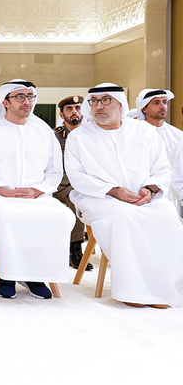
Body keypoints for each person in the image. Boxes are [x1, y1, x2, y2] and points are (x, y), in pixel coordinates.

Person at [68, 83, 183, 308]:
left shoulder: (144, 131)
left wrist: (150, 189)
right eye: (94, 101)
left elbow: (162, 168)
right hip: (100, 199)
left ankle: (164, 288)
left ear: (120, 104)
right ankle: (134, 290)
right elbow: (77, 176)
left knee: (167, 216)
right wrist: (114, 191)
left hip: (145, 198)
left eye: (106, 100)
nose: (99, 106)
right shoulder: (79, 137)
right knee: (124, 217)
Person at [0, 79, 75, 299]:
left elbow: (55, 172)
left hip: (37, 196)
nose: (26, 101)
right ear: (5, 102)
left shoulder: (43, 132)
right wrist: (1, 189)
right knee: (8, 217)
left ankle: (36, 274)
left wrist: (38, 190)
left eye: (30, 97)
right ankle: (7, 274)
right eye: (20, 97)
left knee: (63, 216)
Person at [52, 95, 91, 271]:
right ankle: (75, 249)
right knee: (74, 196)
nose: (74, 112)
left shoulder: (92, 135)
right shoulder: (54, 136)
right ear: (62, 115)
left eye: (78, 108)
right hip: (59, 186)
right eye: (69, 109)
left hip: (87, 185)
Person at [134, 89, 183, 162]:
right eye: (156, 103)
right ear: (144, 109)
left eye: (164, 102)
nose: (163, 106)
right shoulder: (135, 133)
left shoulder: (178, 135)